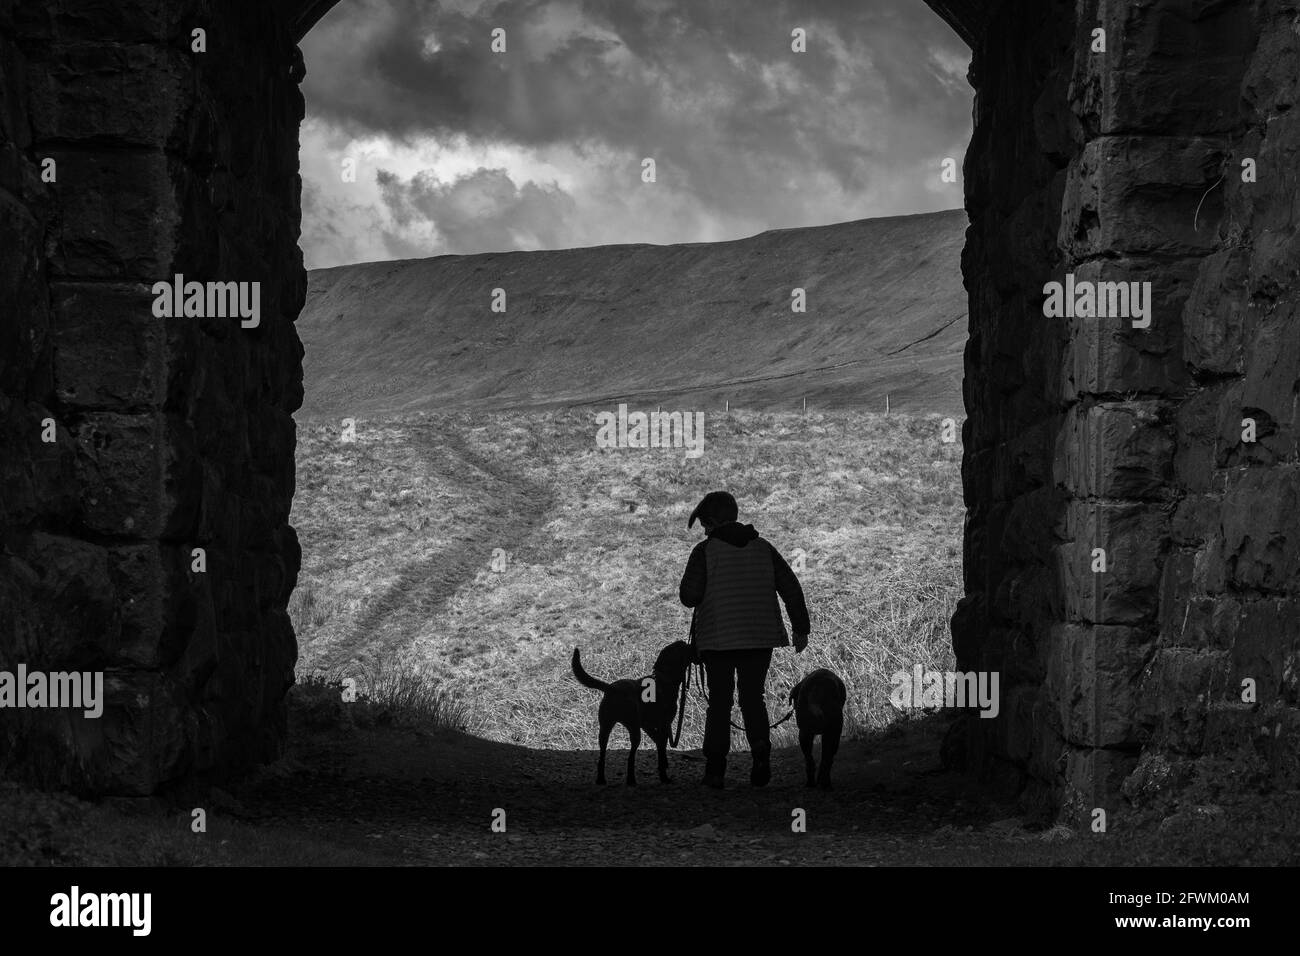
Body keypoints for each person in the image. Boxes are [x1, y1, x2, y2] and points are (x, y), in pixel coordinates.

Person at [679, 490, 810, 788]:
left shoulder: (705, 552)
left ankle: (715, 770)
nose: (704, 531)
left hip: (718, 639)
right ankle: (761, 750)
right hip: (759, 638)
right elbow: (791, 587)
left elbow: (689, 597)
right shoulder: (764, 548)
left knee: (720, 702)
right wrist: (801, 629)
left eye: (704, 525)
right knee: (753, 698)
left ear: (712, 521)